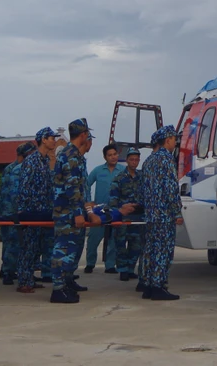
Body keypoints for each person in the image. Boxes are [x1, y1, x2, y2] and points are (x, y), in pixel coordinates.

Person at [50, 118, 93, 303]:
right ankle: (58, 289)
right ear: (83, 135)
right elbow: (72, 187)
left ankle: (65, 284)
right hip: (67, 212)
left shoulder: (70, 153)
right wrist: (77, 212)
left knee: (69, 250)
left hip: (68, 210)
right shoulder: (71, 155)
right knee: (63, 249)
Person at [139, 125, 183, 301]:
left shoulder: (148, 161)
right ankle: (159, 286)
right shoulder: (166, 159)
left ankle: (148, 285)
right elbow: (171, 188)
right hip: (164, 215)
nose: (175, 142)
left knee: (150, 250)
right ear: (167, 140)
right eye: (174, 139)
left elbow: (142, 190)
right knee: (163, 251)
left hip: (150, 215)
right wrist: (177, 212)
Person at [16, 127, 57, 294]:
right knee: (28, 247)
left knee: (36, 248)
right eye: (51, 138)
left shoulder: (44, 160)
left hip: (42, 211)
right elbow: (24, 187)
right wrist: (24, 213)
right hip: (31, 212)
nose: (54, 141)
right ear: (43, 140)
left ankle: (30, 278)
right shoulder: (31, 161)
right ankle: (24, 281)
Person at [82, 144, 125, 274]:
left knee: (113, 239)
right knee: (94, 238)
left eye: (115, 154)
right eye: (110, 155)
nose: (113, 157)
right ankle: (90, 263)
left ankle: (110, 265)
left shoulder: (123, 171)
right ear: (105, 157)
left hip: (115, 211)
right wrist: (89, 201)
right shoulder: (98, 170)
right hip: (99, 211)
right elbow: (86, 185)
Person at [108, 147, 144, 281]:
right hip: (123, 218)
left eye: (136, 159)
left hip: (138, 218)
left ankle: (130, 269)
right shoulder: (119, 178)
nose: (134, 162)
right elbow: (113, 199)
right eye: (131, 159)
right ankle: (122, 270)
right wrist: (118, 211)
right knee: (121, 245)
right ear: (127, 160)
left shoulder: (142, 178)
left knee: (136, 245)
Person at [0, 141, 31, 285]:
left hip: (7, 210)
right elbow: (15, 194)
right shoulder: (17, 169)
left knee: (11, 243)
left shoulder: (10, 168)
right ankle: (8, 272)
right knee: (13, 243)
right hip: (12, 211)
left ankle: (6, 269)